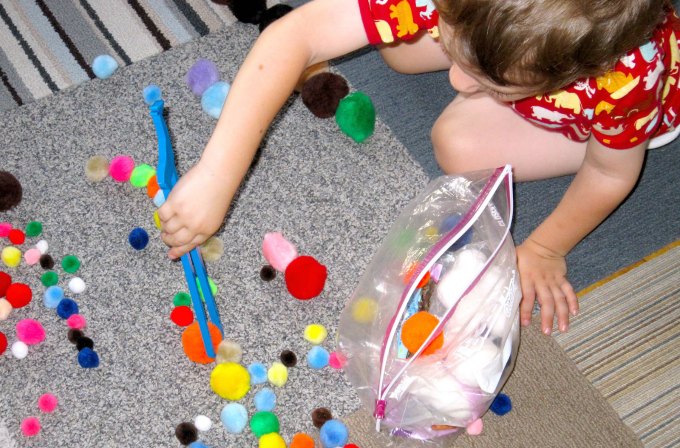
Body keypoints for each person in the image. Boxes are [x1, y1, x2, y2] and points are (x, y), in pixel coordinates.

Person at [158, 0, 679, 336]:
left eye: (490, 81)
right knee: (399, 51)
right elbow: (299, 34)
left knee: (456, 144)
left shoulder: (624, 81)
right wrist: (217, 171)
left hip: (617, 118)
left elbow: (610, 173)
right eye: (455, 52)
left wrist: (546, 248)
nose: (455, 80)